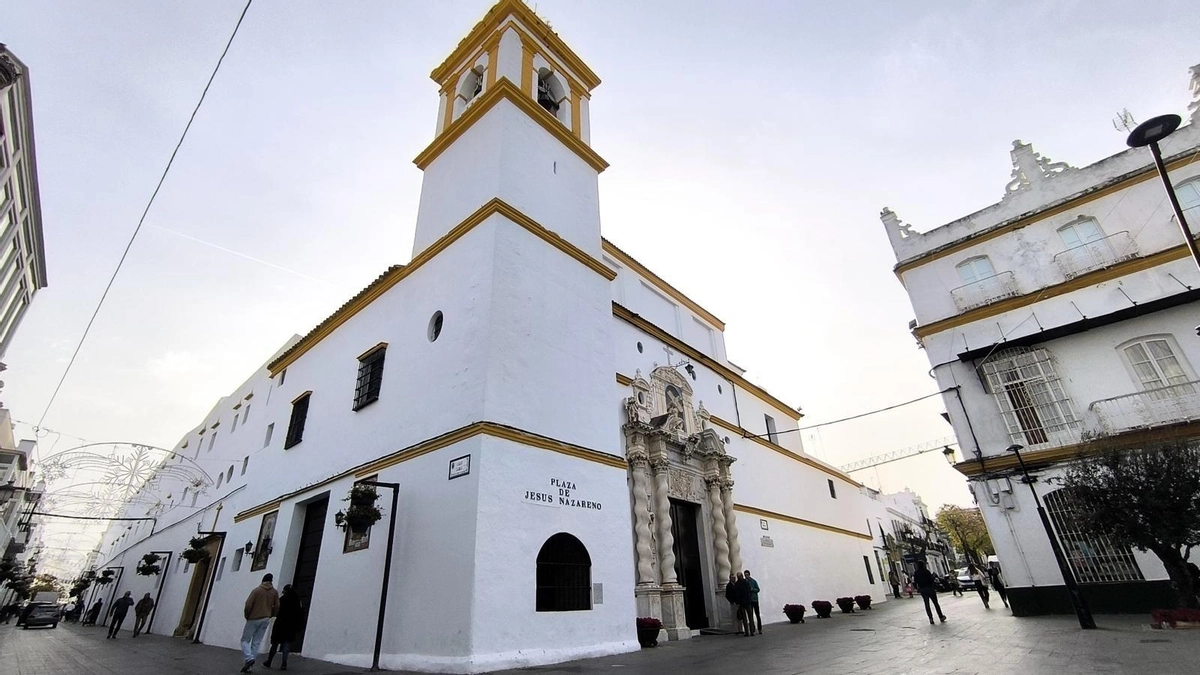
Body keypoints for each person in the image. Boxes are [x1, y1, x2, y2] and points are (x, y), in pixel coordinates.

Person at [241, 573, 280, 673]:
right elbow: (277, 606)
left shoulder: (256, 591)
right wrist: (272, 614)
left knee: (245, 640)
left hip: (253, 618)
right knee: (256, 643)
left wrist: (247, 615)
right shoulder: (274, 592)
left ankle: (249, 658)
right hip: (266, 618)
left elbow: (248, 604)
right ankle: (249, 666)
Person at [265, 585, 302, 670]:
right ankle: (284, 663)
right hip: (291, 625)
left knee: (275, 644)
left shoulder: (282, 599)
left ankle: (269, 661)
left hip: (280, 624)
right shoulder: (297, 600)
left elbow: (276, 609)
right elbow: (300, 613)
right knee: (286, 644)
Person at [913, 561, 946, 625]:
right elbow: (931, 580)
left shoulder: (916, 573)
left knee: (927, 604)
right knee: (936, 603)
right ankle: (941, 616)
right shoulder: (927, 571)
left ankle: (930, 618)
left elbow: (915, 582)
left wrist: (918, 588)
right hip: (930, 588)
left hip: (922, 589)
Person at [734, 571, 755, 636]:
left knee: (744, 619)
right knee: (750, 617)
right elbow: (749, 591)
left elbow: (736, 594)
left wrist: (738, 602)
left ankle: (747, 632)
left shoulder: (737, 584)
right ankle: (752, 631)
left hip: (742, 603)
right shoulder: (746, 582)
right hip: (748, 602)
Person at [743, 569, 762, 634]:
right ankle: (752, 629)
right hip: (749, 600)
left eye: (747, 575)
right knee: (750, 615)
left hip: (754, 599)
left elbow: (758, 589)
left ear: (749, 574)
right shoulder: (745, 582)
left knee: (757, 614)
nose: (746, 576)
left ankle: (759, 628)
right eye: (745, 575)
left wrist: (752, 589)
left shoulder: (753, 581)